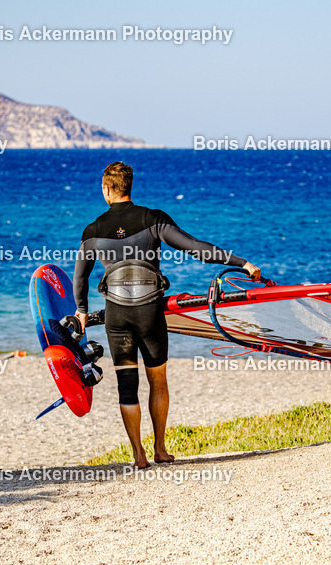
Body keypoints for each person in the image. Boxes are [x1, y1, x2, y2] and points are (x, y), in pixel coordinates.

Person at [73, 162, 260, 469]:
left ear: (106, 190)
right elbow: (197, 248)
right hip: (150, 312)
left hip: (117, 315)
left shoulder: (92, 231)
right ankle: (160, 448)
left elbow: (80, 278)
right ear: (129, 187)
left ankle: (139, 455)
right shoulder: (152, 219)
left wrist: (81, 312)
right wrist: (242, 262)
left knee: (127, 384)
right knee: (157, 379)